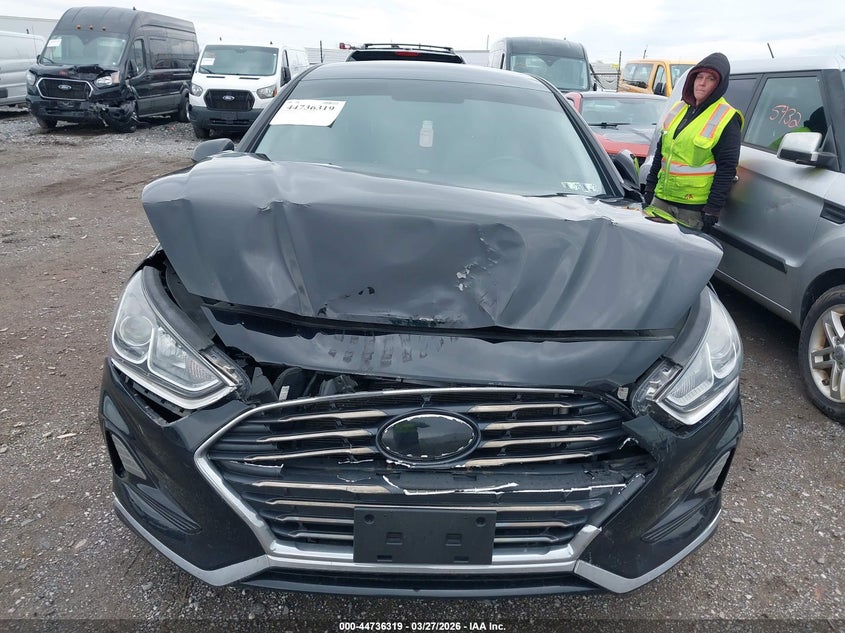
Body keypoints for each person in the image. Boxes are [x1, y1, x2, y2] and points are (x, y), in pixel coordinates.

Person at [643, 52, 743, 232]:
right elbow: (661, 151)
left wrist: (713, 208)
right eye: (699, 77)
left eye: (710, 79)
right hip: (661, 198)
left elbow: (727, 167)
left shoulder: (727, 117)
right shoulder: (678, 108)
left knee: (682, 250)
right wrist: (650, 186)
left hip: (691, 208)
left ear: (719, 85)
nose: (702, 83)